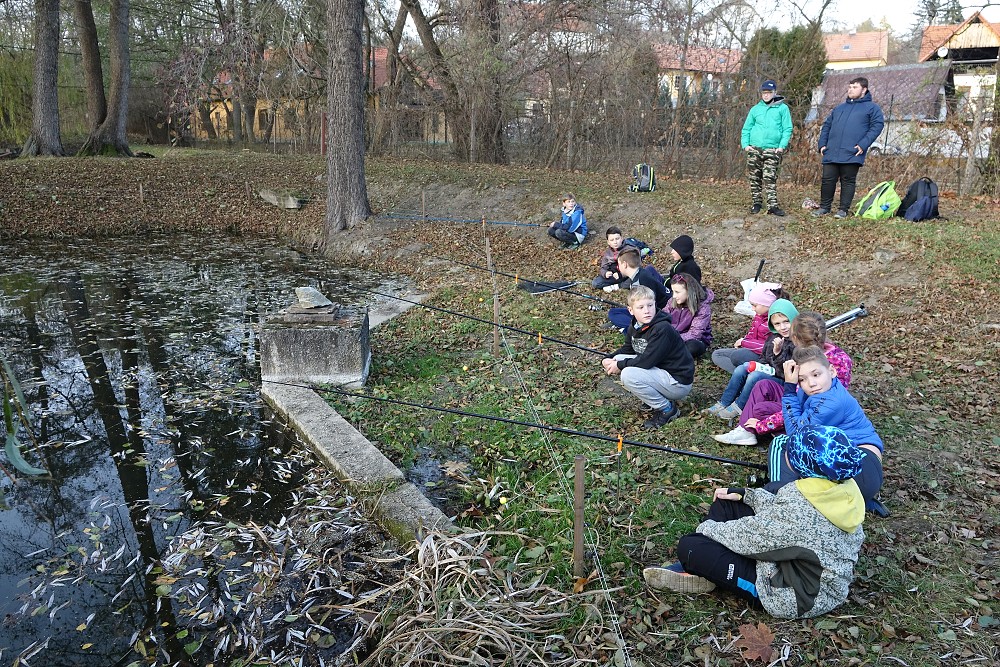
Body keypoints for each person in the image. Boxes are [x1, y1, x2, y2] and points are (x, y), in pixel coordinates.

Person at [642, 425, 866, 619]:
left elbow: (750, 538)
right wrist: (746, 495)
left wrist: (706, 531)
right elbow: (783, 511)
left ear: (800, 464)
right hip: (797, 564)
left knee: (691, 547)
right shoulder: (839, 488)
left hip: (795, 595)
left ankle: (701, 568)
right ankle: (708, 569)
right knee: (728, 502)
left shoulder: (800, 513)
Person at [713, 310, 852, 446]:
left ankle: (778, 433)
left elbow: (806, 408)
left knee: (761, 409)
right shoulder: (826, 354)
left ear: (796, 339)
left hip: (809, 412)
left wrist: (763, 425)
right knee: (763, 385)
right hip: (800, 401)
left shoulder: (817, 363)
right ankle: (745, 431)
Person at [770, 345, 884, 506]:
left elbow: (795, 435)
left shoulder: (832, 402)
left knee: (781, 443)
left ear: (832, 371)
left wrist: (789, 389)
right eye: (802, 379)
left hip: (862, 469)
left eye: (816, 374)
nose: (811, 383)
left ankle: (778, 493)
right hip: (850, 468)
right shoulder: (825, 389)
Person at [602, 285, 694, 429]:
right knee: (619, 358)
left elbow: (646, 361)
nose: (646, 311)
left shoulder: (661, 328)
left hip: (677, 381)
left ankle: (667, 409)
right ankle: (655, 396)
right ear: (631, 310)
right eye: (640, 307)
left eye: (650, 305)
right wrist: (610, 358)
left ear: (655, 305)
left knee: (627, 374)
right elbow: (628, 348)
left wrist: (619, 366)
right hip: (660, 371)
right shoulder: (636, 325)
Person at [703, 299, 798, 420]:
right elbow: (764, 358)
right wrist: (763, 365)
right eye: (777, 324)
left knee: (755, 376)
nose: (783, 327)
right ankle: (724, 402)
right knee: (742, 368)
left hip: (786, 383)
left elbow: (788, 373)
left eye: (786, 322)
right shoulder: (773, 338)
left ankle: (739, 406)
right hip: (772, 373)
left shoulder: (798, 341)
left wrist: (777, 354)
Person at [814, 77, 885, 219]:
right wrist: (822, 144)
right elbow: (827, 126)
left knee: (847, 180)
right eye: (850, 87)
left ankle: (843, 210)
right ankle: (824, 207)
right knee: (827, 180)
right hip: (831, 151)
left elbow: (877, 126)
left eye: (855, 87)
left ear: (864, 90)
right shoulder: (839, 108)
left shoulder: (872, 108)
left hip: (852, 151)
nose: (850, 90)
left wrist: (863, 144)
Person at [741, 79, 792, 217]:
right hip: (755, 149)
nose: (766, 95)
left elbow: (787, 128)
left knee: (770, 177)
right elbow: (746, 128)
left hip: (773, 149)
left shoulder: (782, 109)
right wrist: (745, 145)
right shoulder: (755, 109)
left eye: (769, 92)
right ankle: (757, 203)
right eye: (764, 92)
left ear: (774, 93)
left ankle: (772, 206)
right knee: (754, 177)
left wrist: (781, 146)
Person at [711, 283, 787, 373]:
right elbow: (752, 333)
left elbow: (768, 347)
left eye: (755, 305)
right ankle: (742, 374)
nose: (752, 308)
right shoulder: (759, 316)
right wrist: (744, 342)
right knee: (717, 354)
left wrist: (745, 343)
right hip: (752, 349)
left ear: (767, 304)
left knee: (737, 355)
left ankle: (748, 373)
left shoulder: (777, 323)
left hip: (766, 357)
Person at [605, 248, 669, 331]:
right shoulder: (643, 272)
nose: (618, 267)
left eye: (619, 264)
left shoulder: (638, 284)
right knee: (615, 311)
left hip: (658, 313)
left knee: (613, 313)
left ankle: (634, 328)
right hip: (661, 307)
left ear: (624, 264)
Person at [664, 273, 713, 359]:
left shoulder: (703, 308)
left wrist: (672, 339)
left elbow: (694, 334)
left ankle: (671, 354)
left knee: (693, 347)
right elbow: (663, 318)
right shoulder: (672, 301)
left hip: (693, 340)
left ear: (689, 291)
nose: (674, 296)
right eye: (673, 291)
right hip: (673, 336)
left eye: (677, 292)